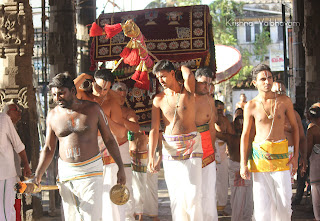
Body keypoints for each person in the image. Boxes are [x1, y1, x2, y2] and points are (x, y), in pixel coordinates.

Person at [34, 72, 126, 221]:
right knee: (72, 217)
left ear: (73, 91)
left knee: (91, 216)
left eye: (61, 93)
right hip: (67, 172)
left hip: (91, 170)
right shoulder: (53, 115)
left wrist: (121, 167)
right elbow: (49, 149)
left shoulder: (93, 109)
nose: (57, 98)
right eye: (54, 95)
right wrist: (38, 174)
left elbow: (109, 139)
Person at [240, 64, 299, 221]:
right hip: (259, 158)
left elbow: (295, 128)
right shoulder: (250, 105)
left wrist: (296, 156)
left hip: (281, 156)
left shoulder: (284, 101)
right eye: (263, 79)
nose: (267, 82)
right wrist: (242, 164)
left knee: (285, 204)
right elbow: (245, 135)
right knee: (262, 207)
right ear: (255, 83)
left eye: (270, 78)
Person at [148, 60, 203, 221]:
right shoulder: (158, 99)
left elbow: (190, 75)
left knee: (193, 193)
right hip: (170, 146)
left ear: (173, 74)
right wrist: (152, 156)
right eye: (158, 78)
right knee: (176, 194)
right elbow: (154, 129)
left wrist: (179, 66)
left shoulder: (187, 91)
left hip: (192, 145)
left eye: (164, 76)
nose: (161, 81)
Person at [74, 70, 129, 221]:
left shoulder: (112, 103)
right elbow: (70, 89)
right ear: (92, 83)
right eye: (98, 87)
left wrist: (103, 118)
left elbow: (121, 132)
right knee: (88, 195)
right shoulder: (83, 97)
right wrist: (84, 76)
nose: (102, 92)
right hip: (86, 151)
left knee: (110, 196)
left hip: (107, 151)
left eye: (106, 89)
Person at [112, 82, 140, 221]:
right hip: (105, 151)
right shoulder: (103, 107)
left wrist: (119, 118)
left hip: (122, 149)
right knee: (108, 184)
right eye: (119, 93)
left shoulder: (128, 112)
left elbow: (135, 128)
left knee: (126, 185)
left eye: (124, 95)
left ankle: (128, 217)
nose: (121, 96)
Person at [216, 115, 253, 221]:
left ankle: (240, 218)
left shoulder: (231, 137)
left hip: (242, 168)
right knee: (245, 197)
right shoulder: (234, 137)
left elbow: (215, 132)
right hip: (241, 169)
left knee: (240, 197)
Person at [271, 81, 308, 183]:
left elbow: (301, 138)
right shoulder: (265, 113)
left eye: (282, 91)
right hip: (270, 154)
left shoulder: (294, 114)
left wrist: (303, 158)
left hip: (289, 155)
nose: (279, 94)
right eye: (276, 92)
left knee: (285, 192)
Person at [194, 67, 218, 221]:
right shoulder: (186, 98)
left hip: (208, 149)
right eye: (203, 83)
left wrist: (213, 150)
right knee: (193, 191)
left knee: (209, 191)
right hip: (189, 147)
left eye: (209, 84)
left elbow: (212, 128)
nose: (206, 87)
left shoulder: (210, 101)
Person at [0, 107, 31, 221]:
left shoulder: (3, 119)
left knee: (5, 212)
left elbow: (18, 145)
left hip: (5, 175)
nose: (19, 113)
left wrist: (26, 165)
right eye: (15, 110)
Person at [215, 99, 234, 214]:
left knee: (222, 179)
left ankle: (221, 207)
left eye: (222, 110)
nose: (221, 112)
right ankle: (211, 207)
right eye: (218, 110)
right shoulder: (208, 119)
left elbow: (231, 134)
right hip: (210, 150)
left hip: (222, 150)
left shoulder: (225, 120)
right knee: (211, 180)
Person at [306, 106, 320, 220]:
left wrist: (304, 160)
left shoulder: (312, 128)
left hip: (316, 162)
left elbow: (309, 148)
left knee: (316, 192)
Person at [3, 102, 23, 178]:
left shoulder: (14, 128)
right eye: (16, 110)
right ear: (8, 113)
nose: (19, 112)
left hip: (15, 169)